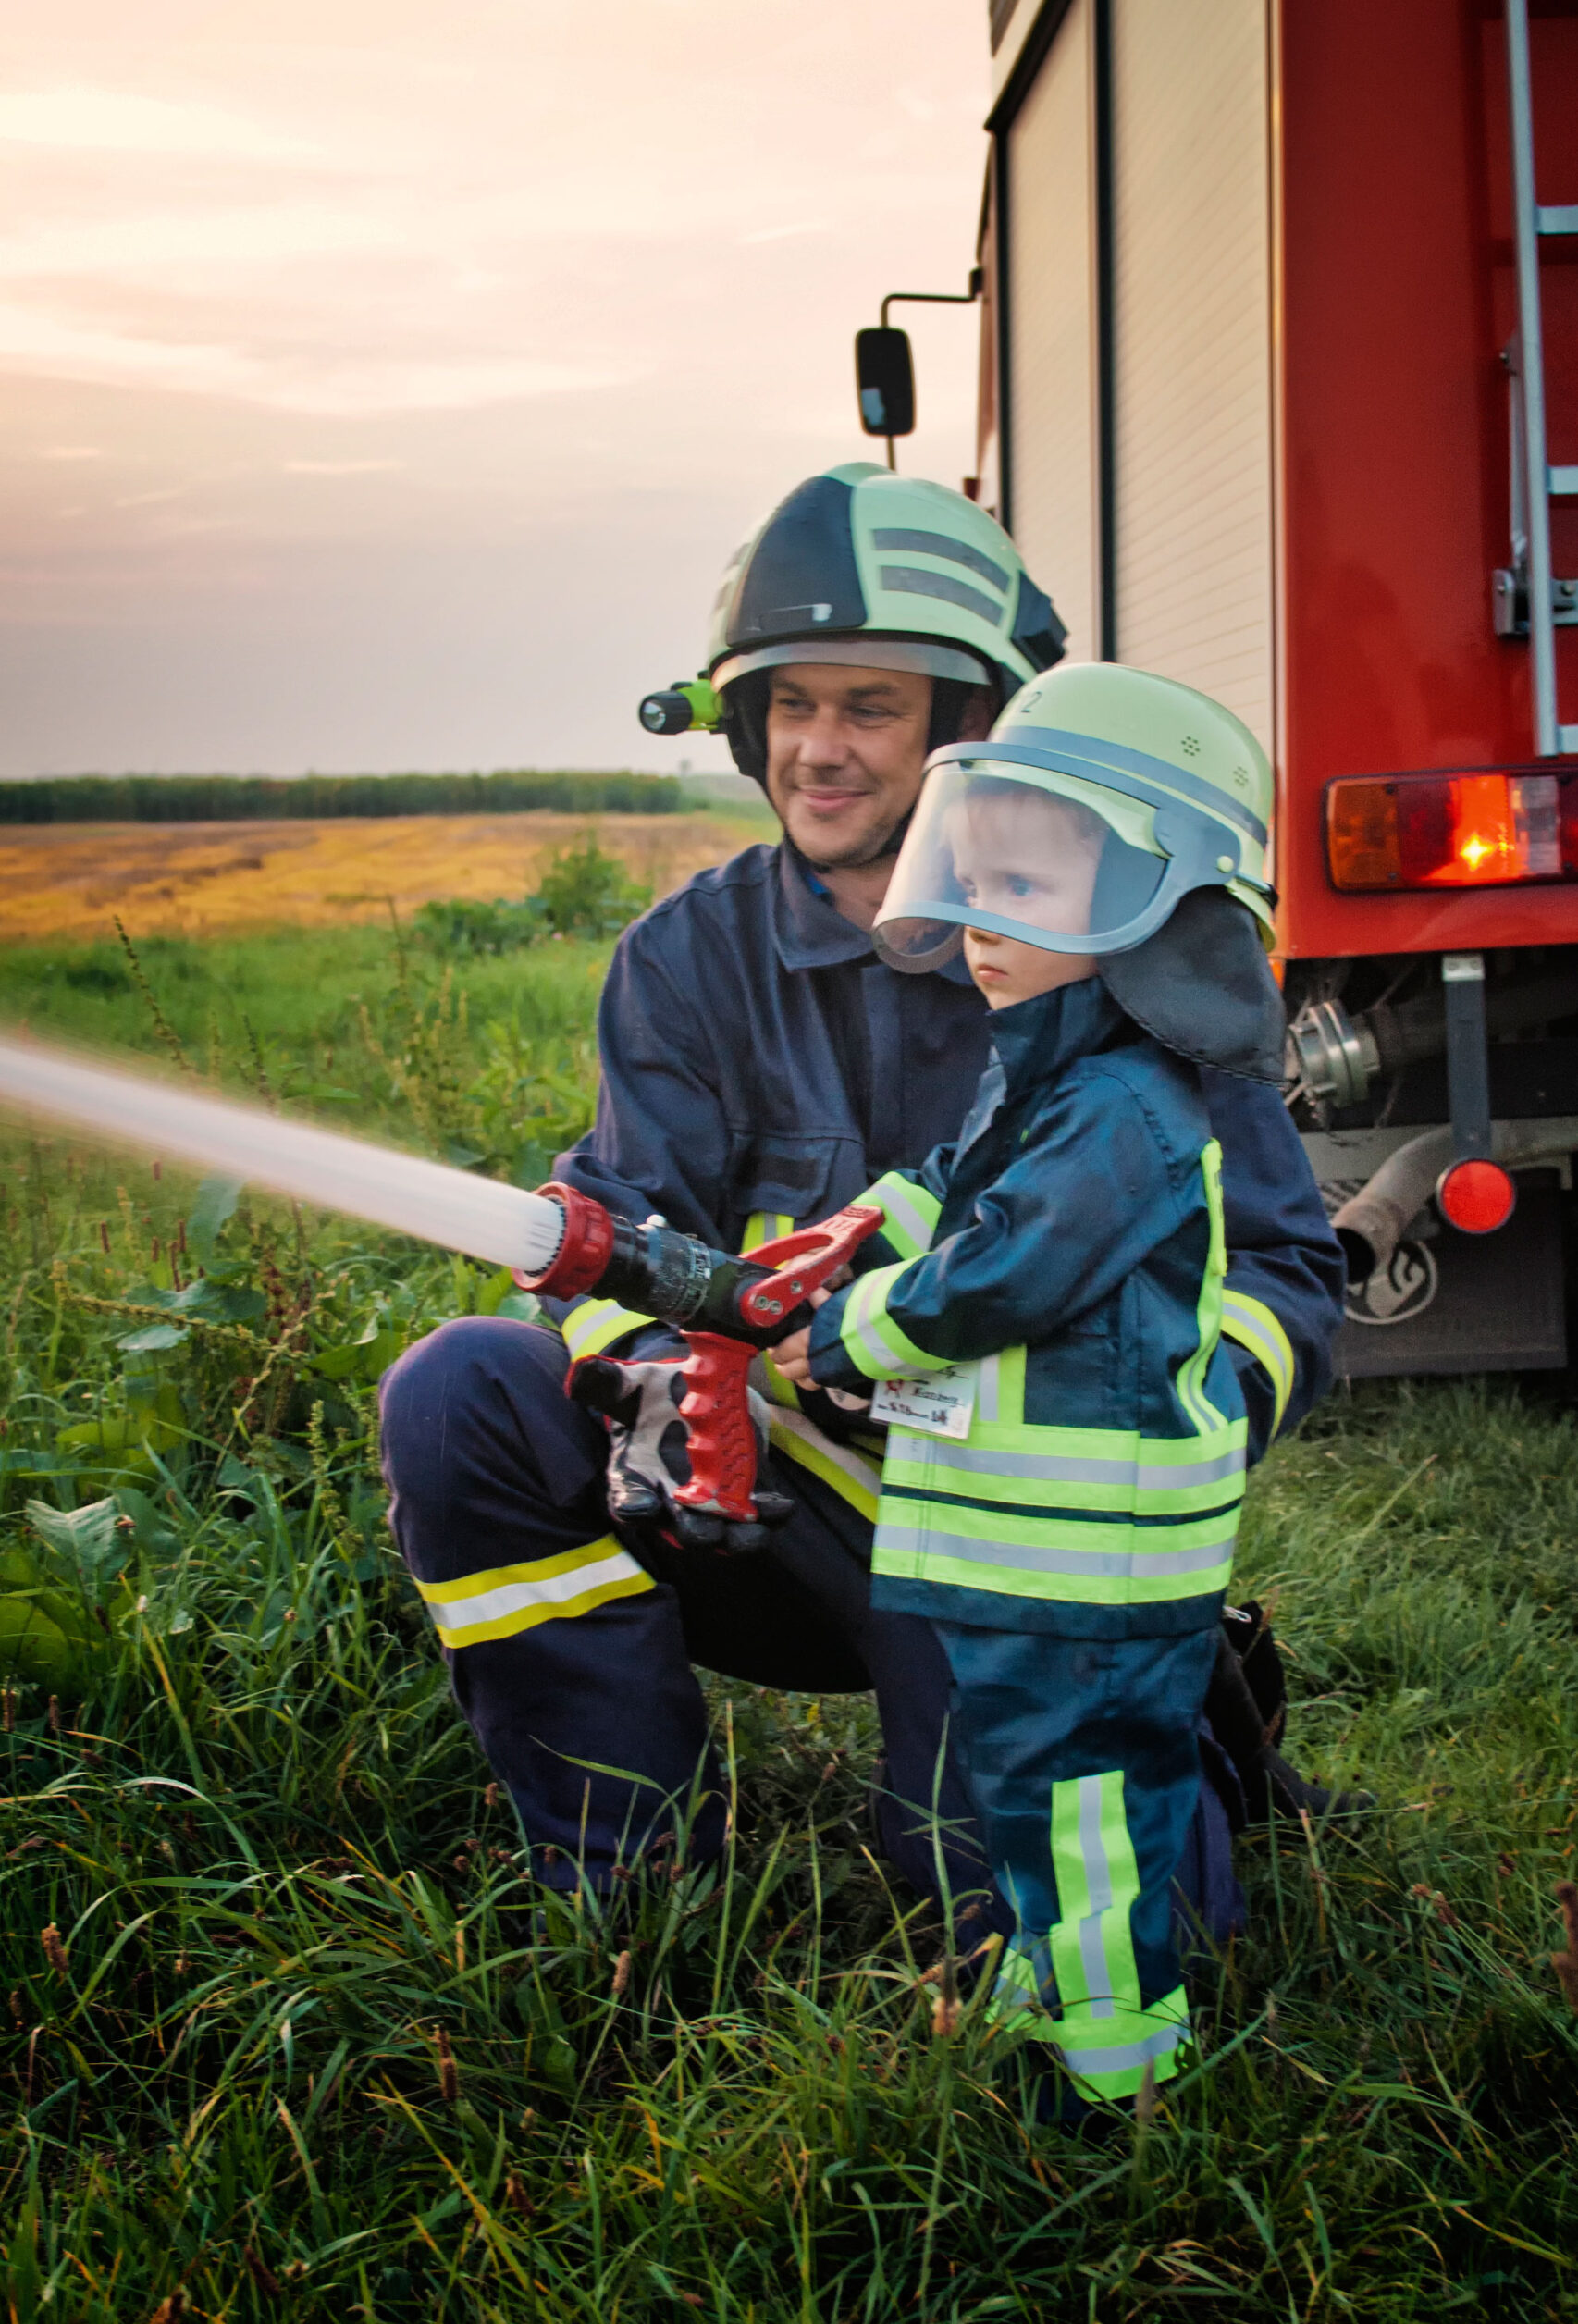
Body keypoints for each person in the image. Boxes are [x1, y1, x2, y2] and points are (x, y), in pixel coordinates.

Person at [379, 463, 1346, 1942]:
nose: (816, 751)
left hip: (1014, 1533)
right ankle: (620, 1889)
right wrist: (642, 1379)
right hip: (763, 1502)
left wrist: (1132, 1439)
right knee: (460, 1392)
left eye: (869, 707)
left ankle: (1168, 1734)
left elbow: (1277, 1267)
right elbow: (608, 1226)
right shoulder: (683, 961)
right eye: (788, 704)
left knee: (1045, 1914)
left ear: (971, 730)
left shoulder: (1122, 954)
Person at [768, 661, 1271, 2108]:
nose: (981, 924)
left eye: (1028, 891)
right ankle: (1044, 1997)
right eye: (972, 875)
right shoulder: (1045, 1076)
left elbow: (1007, 1270)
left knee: (1091, 1827)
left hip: (1092, 1575)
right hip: (1024, 1568)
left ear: (1152, 911)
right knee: (1028, 1816)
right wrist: (851, 1237)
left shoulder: (1123, 1109)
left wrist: (861, 1328)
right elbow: (960, 1198)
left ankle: (1110, 2089)